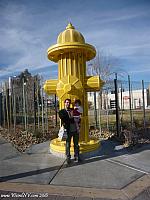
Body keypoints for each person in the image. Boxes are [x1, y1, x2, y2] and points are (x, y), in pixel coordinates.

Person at [58, 98, 80, 164]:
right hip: (68, 130)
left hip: (75, 130)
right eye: (66, 102)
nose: (67, 103)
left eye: (68, 102)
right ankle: (68, 157)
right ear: (64, 103)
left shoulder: (72, 110)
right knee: (68, 144)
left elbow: (78, 117)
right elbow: (64, 119)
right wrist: (72, 118)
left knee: (76, 144)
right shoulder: (62, 111)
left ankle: (77, 156)